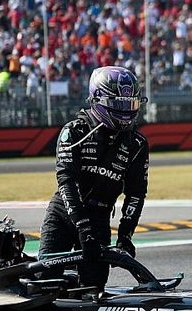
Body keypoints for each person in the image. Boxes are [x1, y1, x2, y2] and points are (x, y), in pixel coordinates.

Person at [39, 66, 150, 289]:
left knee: (93, 287)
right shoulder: (73, 132)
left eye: (130, 104)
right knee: (44, 281)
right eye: (119, 105)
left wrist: (125, 236)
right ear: (98, 99)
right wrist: (82, 227)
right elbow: (66, 182)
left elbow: (136, 194)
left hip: (100, 217)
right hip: (63, 214)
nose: (126, 111)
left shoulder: (137, 145)